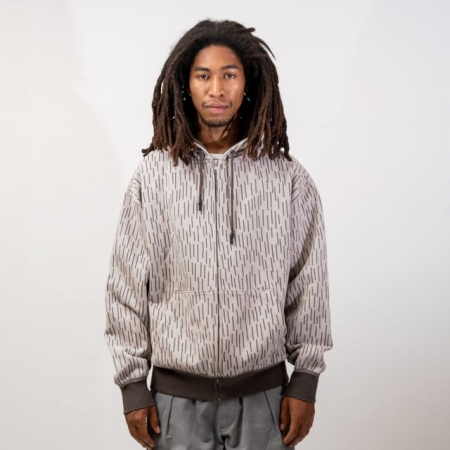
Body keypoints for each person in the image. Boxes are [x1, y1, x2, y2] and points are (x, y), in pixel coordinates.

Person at [104, 19, 333, 450]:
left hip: (265, 397)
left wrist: (305, 379)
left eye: (229, 75)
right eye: (203, 76)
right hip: (174, 401)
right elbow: (125, 285)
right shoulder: (152, 177)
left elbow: (309, 282)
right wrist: (133, 385)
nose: (216, 89)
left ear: (247, 82)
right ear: (185, 84)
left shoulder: (287, 179)